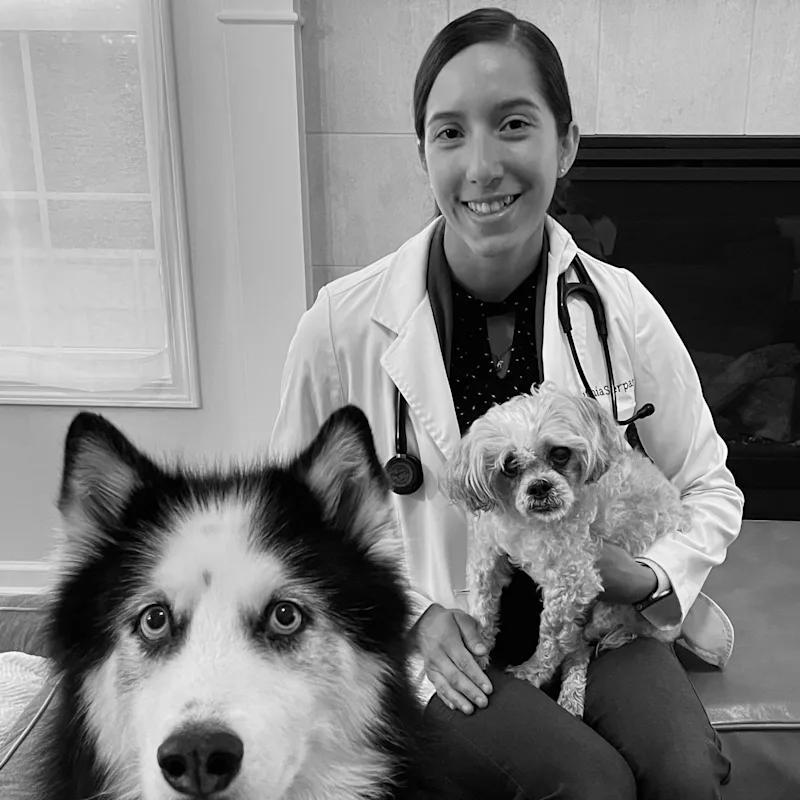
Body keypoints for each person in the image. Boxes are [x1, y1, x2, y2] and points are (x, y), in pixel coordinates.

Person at [270, 7, 743, 799]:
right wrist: (413, 614)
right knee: (588, 785)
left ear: (566, 143)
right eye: (450, 133)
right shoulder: (339, 326)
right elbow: (290, 521)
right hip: (448, 634)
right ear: (423, 153)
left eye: (514, 124)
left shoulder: (621, 309)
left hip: (600, 618)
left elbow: (710, 486)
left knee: (685, 773)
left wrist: (652, 577)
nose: (482, 166)